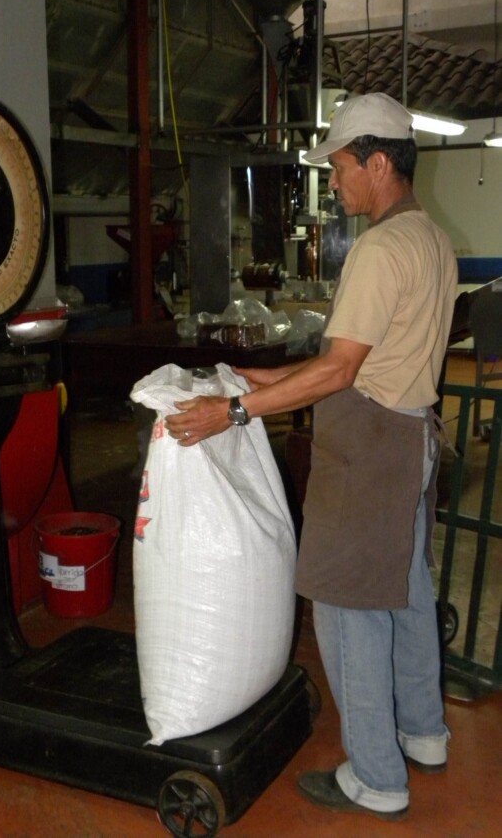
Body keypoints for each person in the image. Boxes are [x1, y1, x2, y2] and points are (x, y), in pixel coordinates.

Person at [164, 92, 457, 821]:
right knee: (406, 591)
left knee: (345, 609)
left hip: (368, 450)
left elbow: (339, 371)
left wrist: (230, 411)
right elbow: (363, 357)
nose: (338, 183)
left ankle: (374, 777)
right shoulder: (430, 238)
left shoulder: (379, 248)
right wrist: (265, 379)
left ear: (379, 161)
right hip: (411, 434)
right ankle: (423, 731)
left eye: (344, 168)